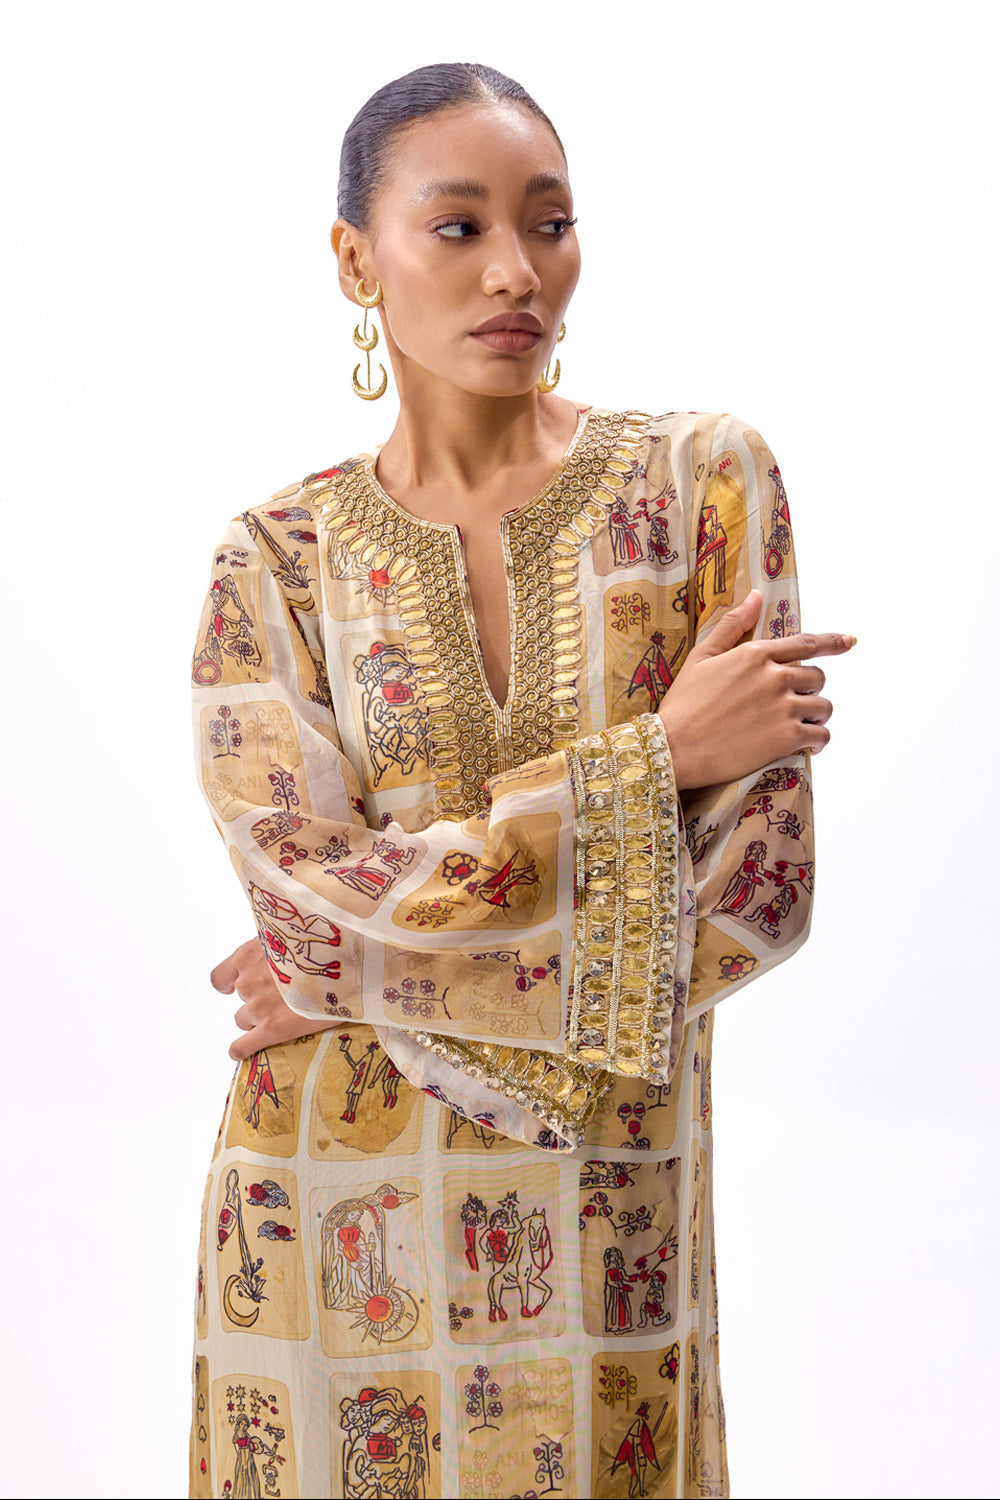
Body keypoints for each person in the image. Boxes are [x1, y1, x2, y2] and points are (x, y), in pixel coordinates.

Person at [188, 62, 853, 1499]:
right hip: (332, 1195)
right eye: (460, 227)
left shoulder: (700, 486)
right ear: (356, 260)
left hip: (609, 1213)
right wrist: (659, 760)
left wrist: (361, 971)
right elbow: (303, 895)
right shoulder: (278, 560)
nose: (517, 271)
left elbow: (759, 897)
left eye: (550, 223)